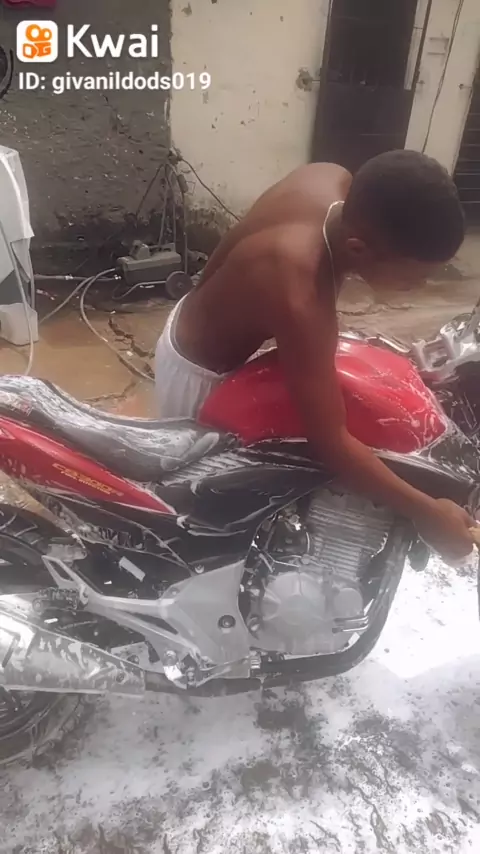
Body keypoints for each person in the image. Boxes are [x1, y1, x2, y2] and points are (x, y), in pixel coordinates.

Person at [155, 150, 475, 561]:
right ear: (358, 248)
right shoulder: (301, 293)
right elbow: (332, 442)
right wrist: (428, 512)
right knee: (196, 513)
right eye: (416, 277)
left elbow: (232, 250)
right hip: (199, 371)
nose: (422, 286)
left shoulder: (329, 179)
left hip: (200, 313)